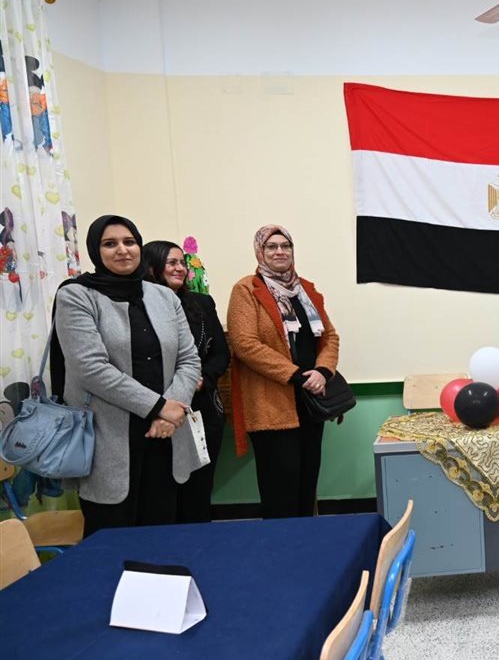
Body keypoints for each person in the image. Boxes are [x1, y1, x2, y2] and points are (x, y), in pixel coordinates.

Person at [50, 215, 202, 536]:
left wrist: (170, 410)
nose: (122, 250)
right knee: (111, 540)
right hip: (108, 438)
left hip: (164, 435)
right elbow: (90, 368)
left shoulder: (163, 296)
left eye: (129, 242)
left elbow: (189, 359)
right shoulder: (76, 295)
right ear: (95, 250)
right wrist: (158, 406)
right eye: (110, 244)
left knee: (160, 537)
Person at [226, 225, 340, 519]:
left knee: (307, 481)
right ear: (259, 251)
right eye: (271, 246)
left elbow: (329, 337)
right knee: (280, 487)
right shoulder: (246, 290)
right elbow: (244, 344)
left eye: (285, 246)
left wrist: (323, 371)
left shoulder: (306, 290)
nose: (280, 251)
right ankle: (281, 544)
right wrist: (296, 375)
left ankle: (306, 540)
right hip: (271, 404)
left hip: (311, 401)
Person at [143, 240, 230, 522]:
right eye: (172, 262)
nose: (180, 268)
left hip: (202, 410)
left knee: (199, 491)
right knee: (162, 495)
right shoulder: (138, 306)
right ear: (152, 267)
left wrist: (201, 379)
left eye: (182, 262)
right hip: (157, 413)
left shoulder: (201, 304)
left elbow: (221, 354)